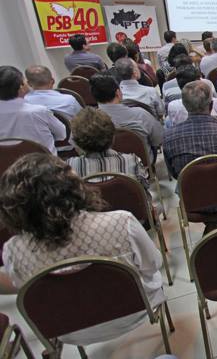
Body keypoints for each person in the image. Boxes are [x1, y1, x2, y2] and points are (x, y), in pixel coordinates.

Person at [0, 153, 165, 345]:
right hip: (136, 312)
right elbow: (153, 264)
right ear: (74, 187)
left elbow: (28, 292)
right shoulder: (121, 221)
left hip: (66, 330)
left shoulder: (13, 251)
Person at [163, 81, 217, 234]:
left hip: (192, 201)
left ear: (185, 106)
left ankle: (214, 230)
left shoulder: (169, 137)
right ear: (211, 105)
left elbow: (174, 173)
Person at [66, 107, 148, 190]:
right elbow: (144, 190)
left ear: (77, 142)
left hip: (89, 203)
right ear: (112, 136)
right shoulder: (132, 161)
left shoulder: (70, 166)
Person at [93, 72, 163, 163]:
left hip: (108, 167)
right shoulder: (141, 114)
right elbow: (158, 140)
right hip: (142, 164)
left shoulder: (89, 121)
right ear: (118, 93)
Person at [0, 66, 66, 155]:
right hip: (45, 165)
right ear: (21, 86)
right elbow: (62, 134)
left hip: (7, 166)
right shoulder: (38, 111)